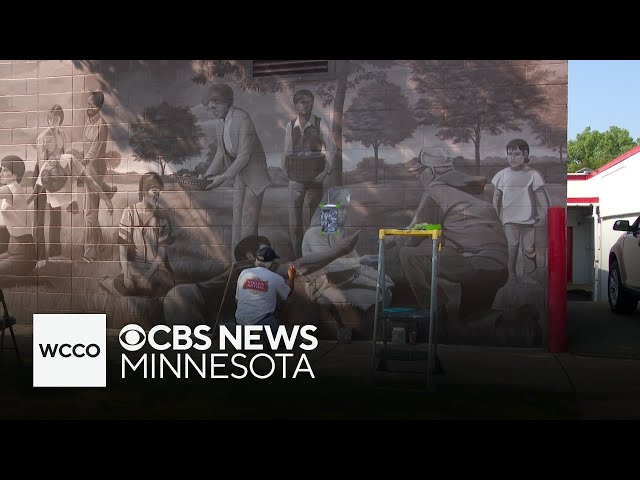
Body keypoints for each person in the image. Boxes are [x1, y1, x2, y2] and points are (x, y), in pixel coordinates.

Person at [390, 151, 509, 323]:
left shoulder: (436, 191)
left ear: (431, 171)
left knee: (408, 255)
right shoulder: (468, 187)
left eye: (419, 173)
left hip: (475, 263)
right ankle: (518, 318)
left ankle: (435, 310)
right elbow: (439, 228)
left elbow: (414, 235)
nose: (418, 178)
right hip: (497, 267)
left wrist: (392, 239)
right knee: (471, 321)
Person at [201, 83, 271, 255]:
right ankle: (235, 263)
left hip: (255, 176)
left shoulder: (243, 119)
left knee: (248, 221)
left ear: (225, 102)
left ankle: (249, 261)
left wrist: (223, 177)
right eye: (209, 109)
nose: (212, 111)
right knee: (237, 219)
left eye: (214, 106)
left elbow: (244, 156)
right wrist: (208, 175)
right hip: (239, 174)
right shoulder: (220, 123)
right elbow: (220, 153)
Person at [100, 172, 174, 297]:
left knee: (164, 286)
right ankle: (108, 283)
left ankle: (120, 288)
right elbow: (122, 248)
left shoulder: (163, 215)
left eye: (159, 192)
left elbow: (162, 253)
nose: (157, 196)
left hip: (157, 269)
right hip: (135, 267)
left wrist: (148, 276)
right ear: (144, 191)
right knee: (126, 284)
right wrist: (126, 273)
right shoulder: (129, 213)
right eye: (154, 191)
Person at [283, 89, 336, 257]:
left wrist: (326, 171)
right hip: (295, 178)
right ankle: (298, 256)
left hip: (315, 177)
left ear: (312, 103)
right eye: (301, 102)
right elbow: (287, 150)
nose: (304, 105)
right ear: (295, 105)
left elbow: (331, 148)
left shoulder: (321, 123)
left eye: (308, 102)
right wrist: (286, 171)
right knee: (294, 220)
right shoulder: (290, 125)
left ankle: (314, 255)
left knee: (315, 218)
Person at [491, 138, 549, 284]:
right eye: (510, 154)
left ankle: (529, 276)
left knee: (529, 250)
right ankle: (511, 276)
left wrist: (545, 214)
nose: (512, 157)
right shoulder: (502, 175)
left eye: (516, 154)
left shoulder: (533, 174)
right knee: (512, 248)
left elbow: (541, 196)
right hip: (509, 220)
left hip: (529, 220)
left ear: (525, 154)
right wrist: (496, 215)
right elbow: (496, 197)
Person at [80, 90, 117, 262]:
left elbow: (94, 150)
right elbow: (85, 147)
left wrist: (83, 163)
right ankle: (101, 246)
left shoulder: (101, 125)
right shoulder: (87, 122)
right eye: (88, 103)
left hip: (95, 169)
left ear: (99, 106)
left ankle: (90, 254)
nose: (89, 107)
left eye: (92, 105)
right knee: (92, 211)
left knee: (89, 213)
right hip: (88, 168)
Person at [234, 246, 295, 342]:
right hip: (262, 321)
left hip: (240, 321)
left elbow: (237, 300)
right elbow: (288, 294)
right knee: (286, 340)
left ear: (256, 260)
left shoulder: (244, 273)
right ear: (271, 263)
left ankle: (250, 337)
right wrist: (291, 276)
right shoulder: (275, 277)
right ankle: (263, 337)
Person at [33, 105, 65, 268]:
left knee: (56, 214)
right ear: (48, 119)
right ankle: (39, 256)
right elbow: (41, 163)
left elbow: (63, 158)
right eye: (50, 118)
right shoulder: (43, 137)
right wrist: (45, 181)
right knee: (39, 217)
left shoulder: (62, 135)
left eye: (57, 118)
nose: (53, 121)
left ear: (61, 120)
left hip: (55, 176)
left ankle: (55, 251)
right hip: (41, 175)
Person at [0, 155, 36, 286]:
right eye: (1, 169)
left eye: (5, 170)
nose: (1, 173)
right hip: (13, 248)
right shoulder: (8, 189)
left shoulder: (12, 189)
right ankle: (21, 274)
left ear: (15, 175)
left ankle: (34, 281)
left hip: (23, 253)